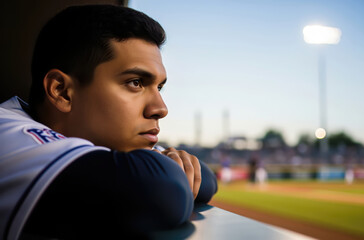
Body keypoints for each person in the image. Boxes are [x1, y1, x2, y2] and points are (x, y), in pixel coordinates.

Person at [0, 5, 217, 239]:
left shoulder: (93, 140)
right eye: (135, 82)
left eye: (159, 87)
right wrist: (166, 171)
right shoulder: (6, 131)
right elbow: (162, 191)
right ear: (62, 92)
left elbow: (204, 179)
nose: (160, 109)